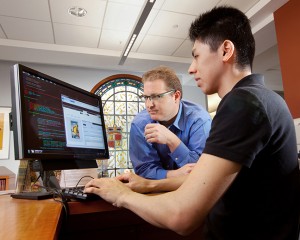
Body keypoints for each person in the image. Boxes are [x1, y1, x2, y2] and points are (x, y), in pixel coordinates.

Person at [85, 6, 300, 239]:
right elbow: (202, 179)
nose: (191, 68)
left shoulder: (243, 104)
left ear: (226, 50)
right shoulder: (264, 98)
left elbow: (181, 216)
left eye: (196, 55)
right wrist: (147, 185)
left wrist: (120, 194)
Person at [130, 66, 211, 179]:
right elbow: (144, 169)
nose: (149, 105)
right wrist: (174, 175)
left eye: (157, 96)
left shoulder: (199, 120)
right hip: (155, 190)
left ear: (176, 96)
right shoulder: (139, 124)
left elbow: (201, 171)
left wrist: (171, 140)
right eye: (146, 97)